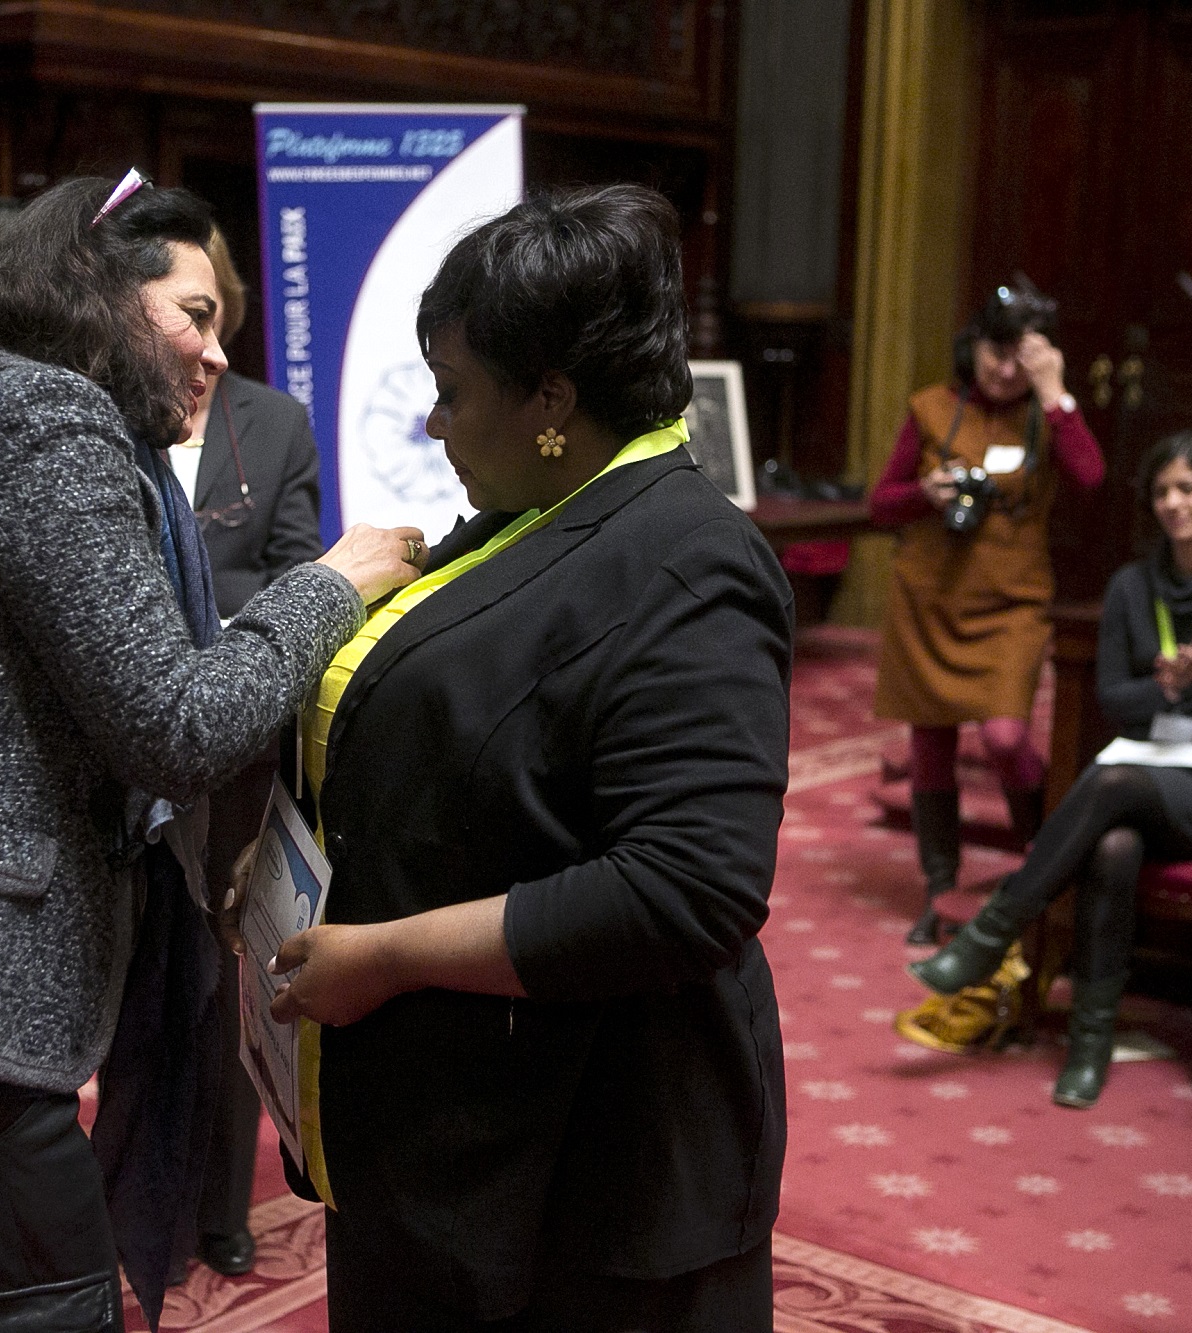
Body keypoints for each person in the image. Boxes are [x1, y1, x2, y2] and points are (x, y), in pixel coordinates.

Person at [0, 175, 422, 1332]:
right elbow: (177, 723)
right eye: (193, 316)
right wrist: (329, 584)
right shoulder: (41, 419)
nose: (214, 357)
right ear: (100, 292)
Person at [235, 184, 790, 1332]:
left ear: (551, 396)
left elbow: (688, 890)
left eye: (452, 394)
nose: (433, 425)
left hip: (591, 1171)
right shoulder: (539, 504)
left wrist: (386, 955)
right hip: (456, 1136)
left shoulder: (689, 562)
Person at [909, 431, 1192, 1108]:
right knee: (1113, 846)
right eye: (1163, 491)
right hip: (1146, 772)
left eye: (1189, 489)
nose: (1174, 503)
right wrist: (1168, 689)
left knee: (1111, 786)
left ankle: (990, 934)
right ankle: (1089, 1045)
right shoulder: (1132, 584)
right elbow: (1114, 697)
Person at [170, 227, 324, 1280]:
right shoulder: (95, 424)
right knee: (146, 987)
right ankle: (127, 1195)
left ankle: (220, 1205)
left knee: (224, 977)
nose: (205, 335)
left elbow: (296, 577)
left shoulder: (272, 423)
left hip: (234, 746)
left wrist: (187, 625)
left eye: (210, 310)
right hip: (119, 751)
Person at [870, 285, 1105, 944]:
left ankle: (1041, 866)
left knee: (1005, 737)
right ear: (972, 346)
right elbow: (880, 505)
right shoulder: (930, 407)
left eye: (1020, 358)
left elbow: (1090, 476)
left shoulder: (1046, 415)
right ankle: (939, 888)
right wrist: (925, 491)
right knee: (931, 749)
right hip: (930, 594)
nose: (1005, 370)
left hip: (1013, 601)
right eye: (995, 352)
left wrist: (1055, 391)